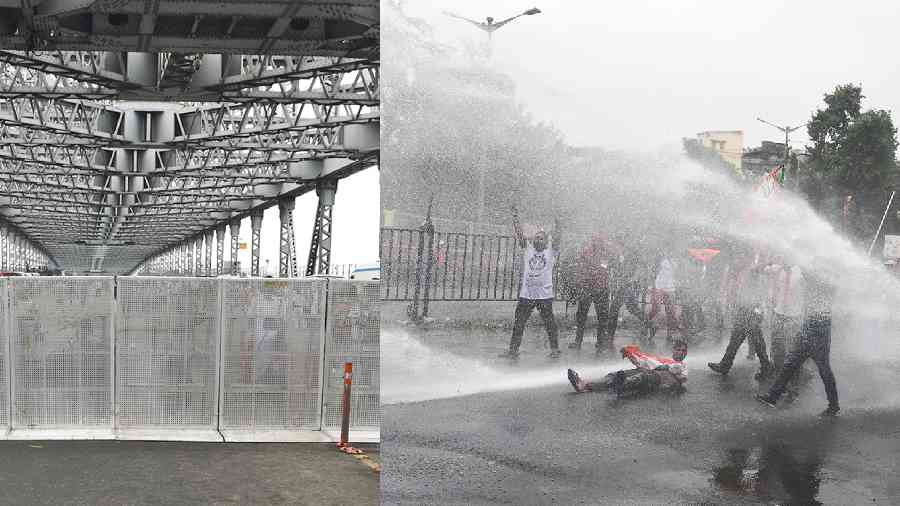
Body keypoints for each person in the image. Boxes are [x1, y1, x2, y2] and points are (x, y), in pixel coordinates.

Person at [756, 257, 839, 416]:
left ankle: (833, 405)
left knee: (823, 368)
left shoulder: (825, 281)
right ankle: (773, 396)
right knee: (791, 362)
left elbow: (809, 274)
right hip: (810, 325)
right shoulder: (821, 279)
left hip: (819, 326)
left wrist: (800, 257)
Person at [499, 206, 562, 359]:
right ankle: (513, 350)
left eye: (541, 238)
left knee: (549, 324)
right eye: (536, 238)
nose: (538, 240)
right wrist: (515, 219)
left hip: (544, 295)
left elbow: (558, 238)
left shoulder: (551, 252)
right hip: (526, 295)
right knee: (519, 323)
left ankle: (554, 349)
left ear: (546, 241)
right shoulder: (528, 250)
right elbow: (520, 236)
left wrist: (559, 223)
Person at [708, 247, 774, 380]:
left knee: (756, 339)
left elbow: (758, 268)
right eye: (736, 257)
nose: (736, 260)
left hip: (752, 310)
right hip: (743, 310)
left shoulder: (750, 270)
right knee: (736, 339)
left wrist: (769, 261)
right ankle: (725, 365)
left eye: (740, 257)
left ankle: (766, 367)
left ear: (746, 259)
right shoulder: (739, 272)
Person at [567, 342, 688, 398]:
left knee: (639, 378)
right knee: (616, 375)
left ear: (686, 353)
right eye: (678, 349)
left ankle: (617, 388)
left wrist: (663, 371)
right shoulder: (663, 360)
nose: (680, 352)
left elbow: (679, 376)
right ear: (673, 350)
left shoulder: (683, 366)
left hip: (656, 378)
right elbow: (647, 362)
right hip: (649, 372)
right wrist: (633, 355)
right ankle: (583, 385)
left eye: (683, 350)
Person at [569, 234, 616, 353]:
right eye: (595, 241)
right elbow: (581, 268)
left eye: (599, 241)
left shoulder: (605, 252)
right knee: (583, 315)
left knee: (601, 316)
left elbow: (606, 267)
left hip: (599, 288)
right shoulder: (588, 252)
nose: (597, 243)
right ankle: (581, 341)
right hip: (590, 287)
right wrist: (580, 283)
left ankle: (598, 341)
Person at [607, 236, 650, 341]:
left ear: (620, 245)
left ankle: (610, 335)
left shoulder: (630, 255)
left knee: (614, 309)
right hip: (625, 286)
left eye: (615, 245)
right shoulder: (617, 256)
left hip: (628, 286)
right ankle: (651, 324)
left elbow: (639, 268)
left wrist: (632, 280)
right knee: (632, 308)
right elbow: (612, 268)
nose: (613, 247)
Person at [646, 250, 684, 342]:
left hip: (670, 287)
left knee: (670, 311)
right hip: (659, 286)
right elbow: (653, 271)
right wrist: (651, 285)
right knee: (656, 309)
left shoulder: (677, 260)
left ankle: (669, 334)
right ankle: (649, 326)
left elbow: (678, 274)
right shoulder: (660, 258)